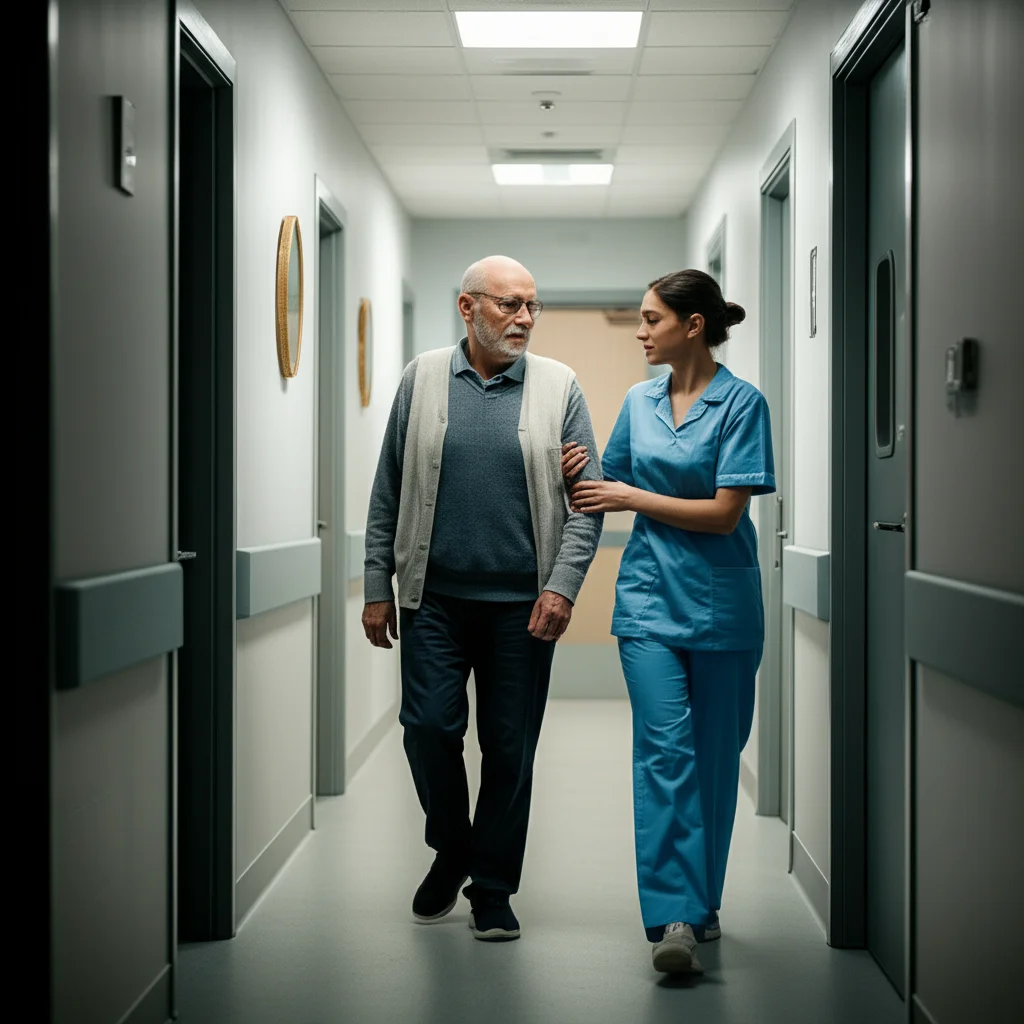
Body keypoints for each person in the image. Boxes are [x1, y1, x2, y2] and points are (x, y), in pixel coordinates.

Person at [363, 255, 603, 942]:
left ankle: (492, 887)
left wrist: (562, 586)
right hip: (431, 599)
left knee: (508, 747)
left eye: (532, 305)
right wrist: (378, 585)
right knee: (429, 728)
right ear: (467, 309)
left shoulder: (560, 387)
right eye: (508, 304)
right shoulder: (423, 378)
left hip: (521, 607)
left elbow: (587, 502)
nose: (525, 318)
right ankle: (453, 846)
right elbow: (389, 489)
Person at [561, 269, 775, 976]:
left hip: (722, 609)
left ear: (692, 325)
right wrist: (575, 469)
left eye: (651, 319)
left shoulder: (743, 405)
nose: (641, 331)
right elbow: (609, 483)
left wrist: (630, 495)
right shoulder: (638, 400)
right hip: (648, 606)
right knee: (665, 755)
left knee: (714, 764)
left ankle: (701, 902)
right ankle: (674, 918)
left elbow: (724, 514)